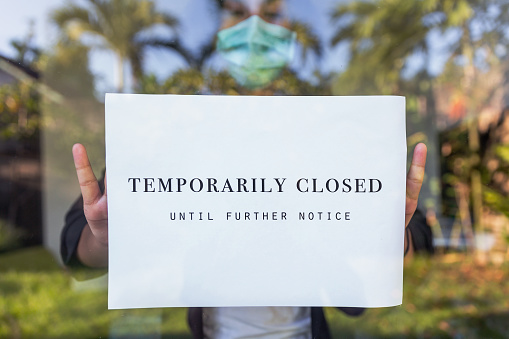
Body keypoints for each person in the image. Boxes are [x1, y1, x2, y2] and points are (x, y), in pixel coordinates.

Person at [61, 0, 429, 338]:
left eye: (270, 13)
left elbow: (413, 239)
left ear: (291, 27)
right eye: (237, 10)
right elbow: (79, 246)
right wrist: (109, 240)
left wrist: (384, 234)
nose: (254, 27)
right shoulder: (175, 130)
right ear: (217, 28)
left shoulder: (330, 129)